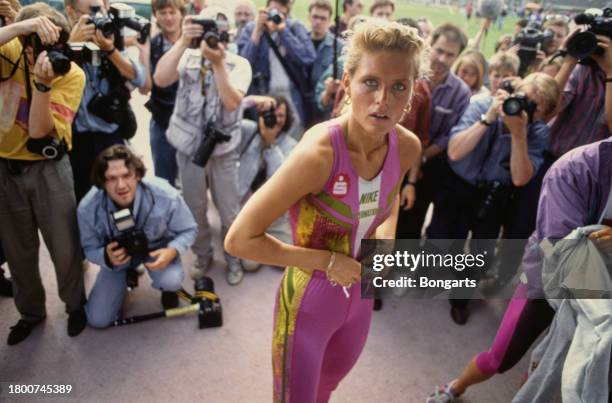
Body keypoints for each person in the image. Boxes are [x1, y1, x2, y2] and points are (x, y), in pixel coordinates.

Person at [225, 20, 424, 403]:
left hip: (359, 301)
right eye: (371, 82)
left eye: (399, 86)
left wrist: (387, 240)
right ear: (347, 83)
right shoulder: (318, 155)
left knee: (327, 389)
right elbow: (238, 240)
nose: (384, 99)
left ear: (411, 93)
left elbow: (391, 198)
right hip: (308, 303)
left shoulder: (408, 147)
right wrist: (326, 261)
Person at [428, 137, 612, 403]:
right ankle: (456, 387)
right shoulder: (576, 168)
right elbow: (558, 248)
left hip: (598, 297)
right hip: (547, 283)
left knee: (551, 371)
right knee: (499, 358)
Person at [429, 72, 560, 324]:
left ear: (545, 115)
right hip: (458, 185)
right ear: (514, 92)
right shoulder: (482, 104)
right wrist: (488, 119)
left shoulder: (538, 132)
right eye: (524, 99)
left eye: (534, 108)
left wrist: (519, 135)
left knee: (482, 252)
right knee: (442, 238)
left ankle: (460, 299)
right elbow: (455, 152)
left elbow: (521, 178)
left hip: (494, 193)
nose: (523, 110)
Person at [0, 2, 87, 345]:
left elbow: (39, 131)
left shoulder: (71, 73)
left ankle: (75, 305)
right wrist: (21, 28)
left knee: (65, 246)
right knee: (18, 250)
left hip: (48, 168)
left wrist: (42, 84)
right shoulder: (10, 48)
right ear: (24, 41)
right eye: (37, 40)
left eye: (55, 42)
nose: (46, 51)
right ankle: (31, 313)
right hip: (6, 169)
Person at [155, 6, 252, 286]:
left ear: (228, 31)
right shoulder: (185, 55)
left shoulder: (238, 63)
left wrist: (219, 63)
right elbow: (161, 79)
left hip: (222, 150)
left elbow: (233, 102)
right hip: (188, 147)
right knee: (193, 207)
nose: (213, 34)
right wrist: (184, 40)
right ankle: (202, 254)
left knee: (229, 209)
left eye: (218, 28)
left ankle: (233, 257)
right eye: (208, 27)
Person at [78, 145, 198, 328]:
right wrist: (105, 257)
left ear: (138, 175)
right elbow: (89, 248)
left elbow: (189, 229)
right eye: (111, 179)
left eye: (126, 176)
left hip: (156, 251)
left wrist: (172, 251)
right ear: (102, 181)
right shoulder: (88, 208)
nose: (121, 186)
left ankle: (167, 290)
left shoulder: (165, 194)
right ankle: (125, 278)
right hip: (117, 261)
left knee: (171, 280)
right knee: (98, 320)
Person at [64, 0, 146, 202]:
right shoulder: (61, 39)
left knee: (118, 198)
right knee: (83, 202)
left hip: (110, 137)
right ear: (71, 11)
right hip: (77, 141)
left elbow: (139, 78)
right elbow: (55, 81)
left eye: (99, 9)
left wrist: (110, 50)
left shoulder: (109, 35)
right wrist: (71, 47)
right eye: (91, 11)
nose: (97, 17)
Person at [395, 23, 471, 240]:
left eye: (450, 55)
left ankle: (401, 268)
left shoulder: (460, 92)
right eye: (439, 51)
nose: (442, 59)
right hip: (393, 157)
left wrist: (420, 157)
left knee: (413, 217)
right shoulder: (409, 75)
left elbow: (450, 135)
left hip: (429, 165)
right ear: (429, 45)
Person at [237, 0, 316, 139]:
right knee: (265, 137)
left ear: (287, 12)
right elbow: (244, 64)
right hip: (263, 93)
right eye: (272, 11)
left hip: (291, 96)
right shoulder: (251, 28)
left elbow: (307, 57)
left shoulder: (294, 27)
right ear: (265, 9)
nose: (275, 16)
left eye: (280, 13)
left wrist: (283, 32)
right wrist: (257, 31)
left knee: (292, 139)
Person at [238, 95, 297, 253]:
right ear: (261, 115)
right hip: (244, 209)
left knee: (291, 253)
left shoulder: (291, 145)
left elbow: (282, 181)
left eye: (280, 116)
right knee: (250, 264)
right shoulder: (248, 131)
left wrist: (270, 144)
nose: (275, 120)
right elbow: (227, 120)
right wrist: (250, 101)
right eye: (271, 114)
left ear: (287, 118)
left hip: (273, 215)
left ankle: (262, 240)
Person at [138, 0, 184, 187]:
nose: (168, 18)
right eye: (163, 13)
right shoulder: (153, 44)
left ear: (181, 13)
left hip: (191, 119)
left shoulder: (195, 41)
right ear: (155, 15)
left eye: (172, 12)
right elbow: (144, 88)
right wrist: (143, 53)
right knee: (164, 180)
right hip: (162, 119)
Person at [306, 0, 343, 127]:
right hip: (301, 106)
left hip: (324, 110)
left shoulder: (338, 47)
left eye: (323, 18)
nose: (318, 22)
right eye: (315, 17)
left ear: (329, 21)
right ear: (309, 17)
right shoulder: (299, 42)